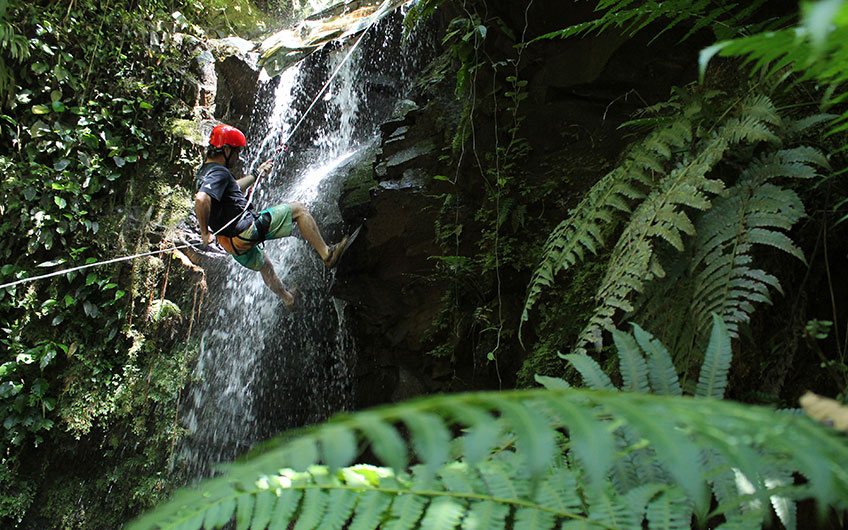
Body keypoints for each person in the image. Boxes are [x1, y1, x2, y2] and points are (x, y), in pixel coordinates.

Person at [194, 124, 350, 308]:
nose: (237, 157)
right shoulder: (218, 172)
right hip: (246, 230)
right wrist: (204, 233)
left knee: (265, 265)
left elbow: (232, 187)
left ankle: (287, 298)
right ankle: (327, 254)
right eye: (236, 152)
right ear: (226, 149)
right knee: (299, 210)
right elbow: (201, 199)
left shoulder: (205, 173)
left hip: (232, 244)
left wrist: (256, 174)